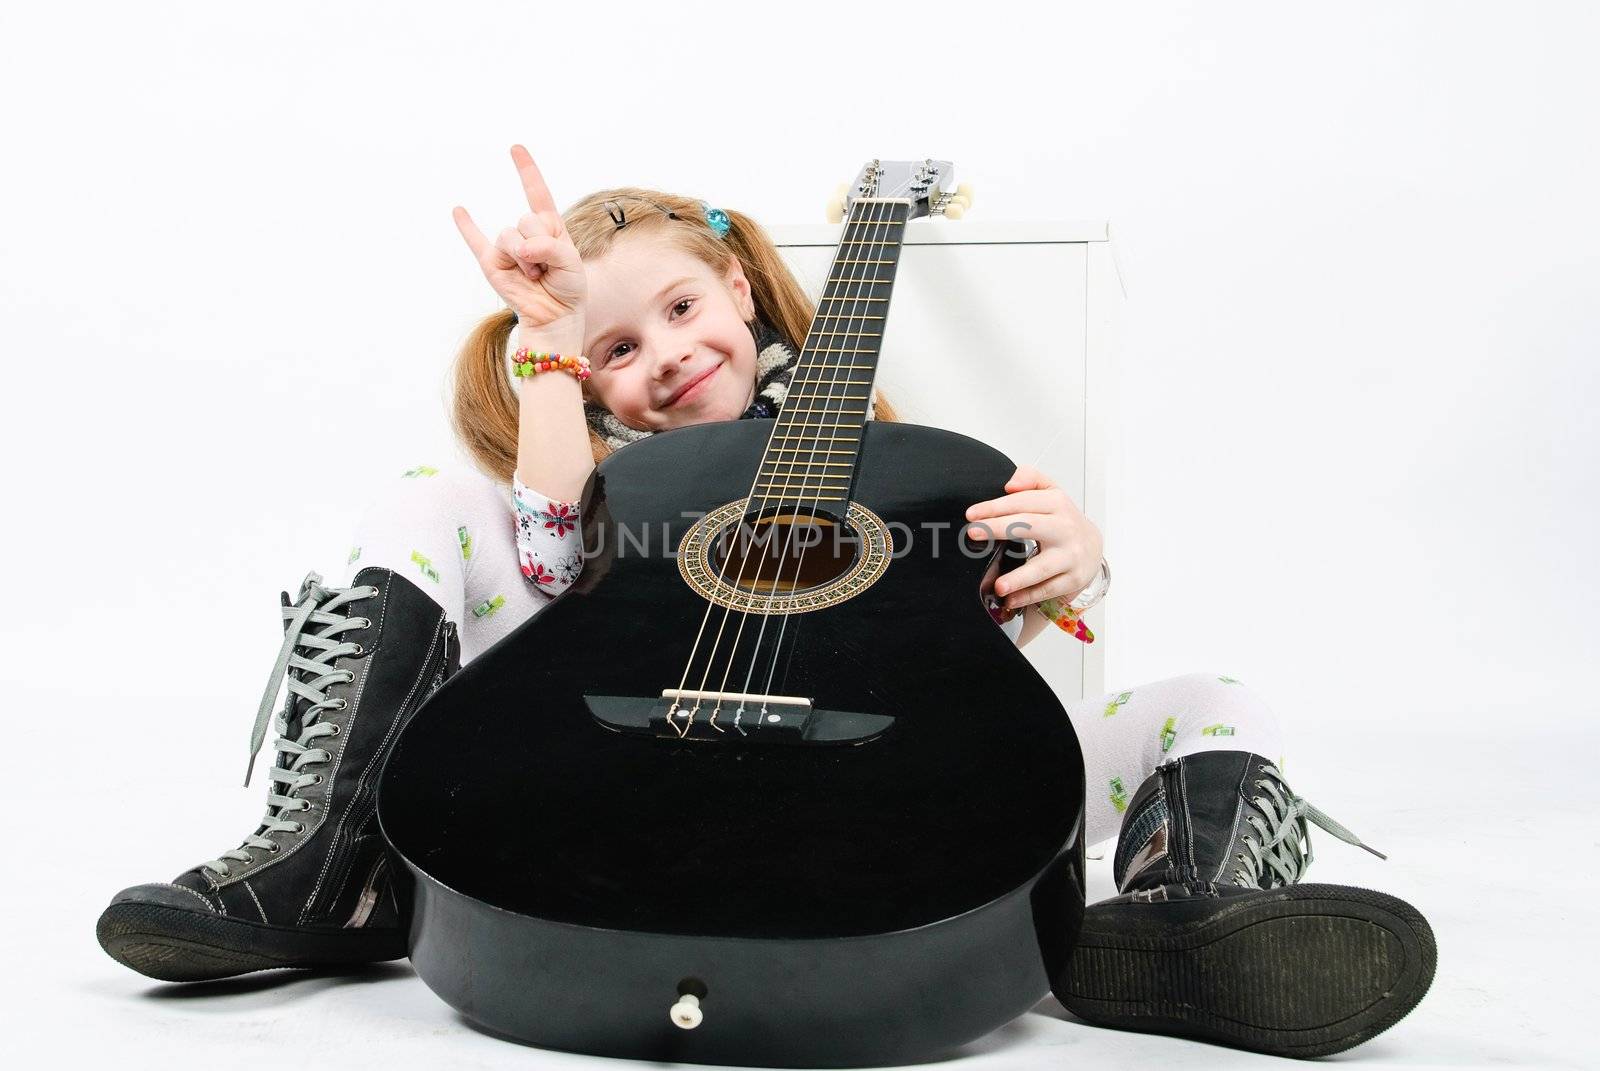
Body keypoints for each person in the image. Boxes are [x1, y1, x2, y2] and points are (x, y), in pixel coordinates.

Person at [96, 145, 1434, 1058]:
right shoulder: (613, 474)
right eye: (620, 350)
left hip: (899, 784)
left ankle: (1166, 923)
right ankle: (327, 871)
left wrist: (1067, 561)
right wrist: (553, 353)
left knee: (1212, 702)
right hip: (612, 772)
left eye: (680, 309)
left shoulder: (918, 472)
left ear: (739, 288)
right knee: (427, 502)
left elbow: (982, 670)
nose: (666, 358)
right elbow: (552, 543)